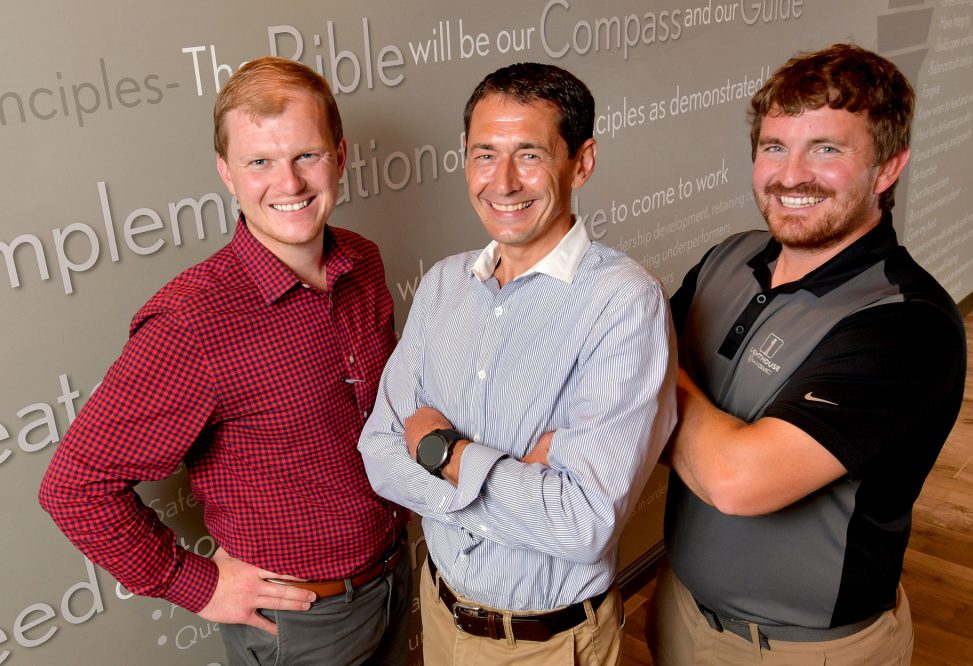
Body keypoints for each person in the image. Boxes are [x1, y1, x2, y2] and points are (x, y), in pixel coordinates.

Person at [38, 57, 410, 666]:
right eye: (259, 162)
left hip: (395, 578)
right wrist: (198, 583)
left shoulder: (363, 263)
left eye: (307, 155)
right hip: (302, 627)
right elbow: (74, 487)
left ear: (340, 156)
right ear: (227, 174)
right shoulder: (192, 323)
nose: (288, 184)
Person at [646, 43, 968, 665]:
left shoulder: (907, 326)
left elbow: (737, 480)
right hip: (680, 609)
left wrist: (651, 376)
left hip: (802, 651)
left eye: (826, 149)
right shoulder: (729, 257)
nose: (791, 175)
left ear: (888, 167)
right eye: (774, 147)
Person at [358, 62, 676, 665]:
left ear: (581, 162)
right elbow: (377, 454)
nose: (502, 182)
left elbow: (580, 526)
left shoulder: (623, 301)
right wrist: (510, 477)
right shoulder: (443, 285)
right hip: (441, 613)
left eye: (529, 154)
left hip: (545, 644)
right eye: (484, 155)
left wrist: (441, 453)